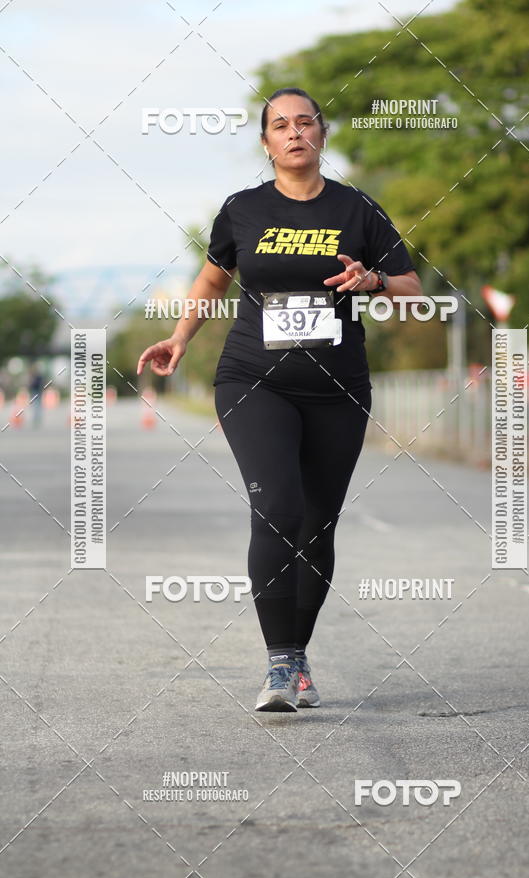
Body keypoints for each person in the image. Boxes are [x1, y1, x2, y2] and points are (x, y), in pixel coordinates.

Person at [137, 87, 423, 712]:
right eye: (279, 125)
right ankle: (279, 664)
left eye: (304, 123)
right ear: (264, 143)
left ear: (321, 135)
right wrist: (181, 337)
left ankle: (298, 656)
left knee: (317, 528)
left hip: (338, 388)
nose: (293, 133)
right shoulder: (242, 210)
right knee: (279, 509)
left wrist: (372, 280)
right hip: (253, 379)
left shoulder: (358, 209)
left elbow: (411, 287)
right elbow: (214, 276)